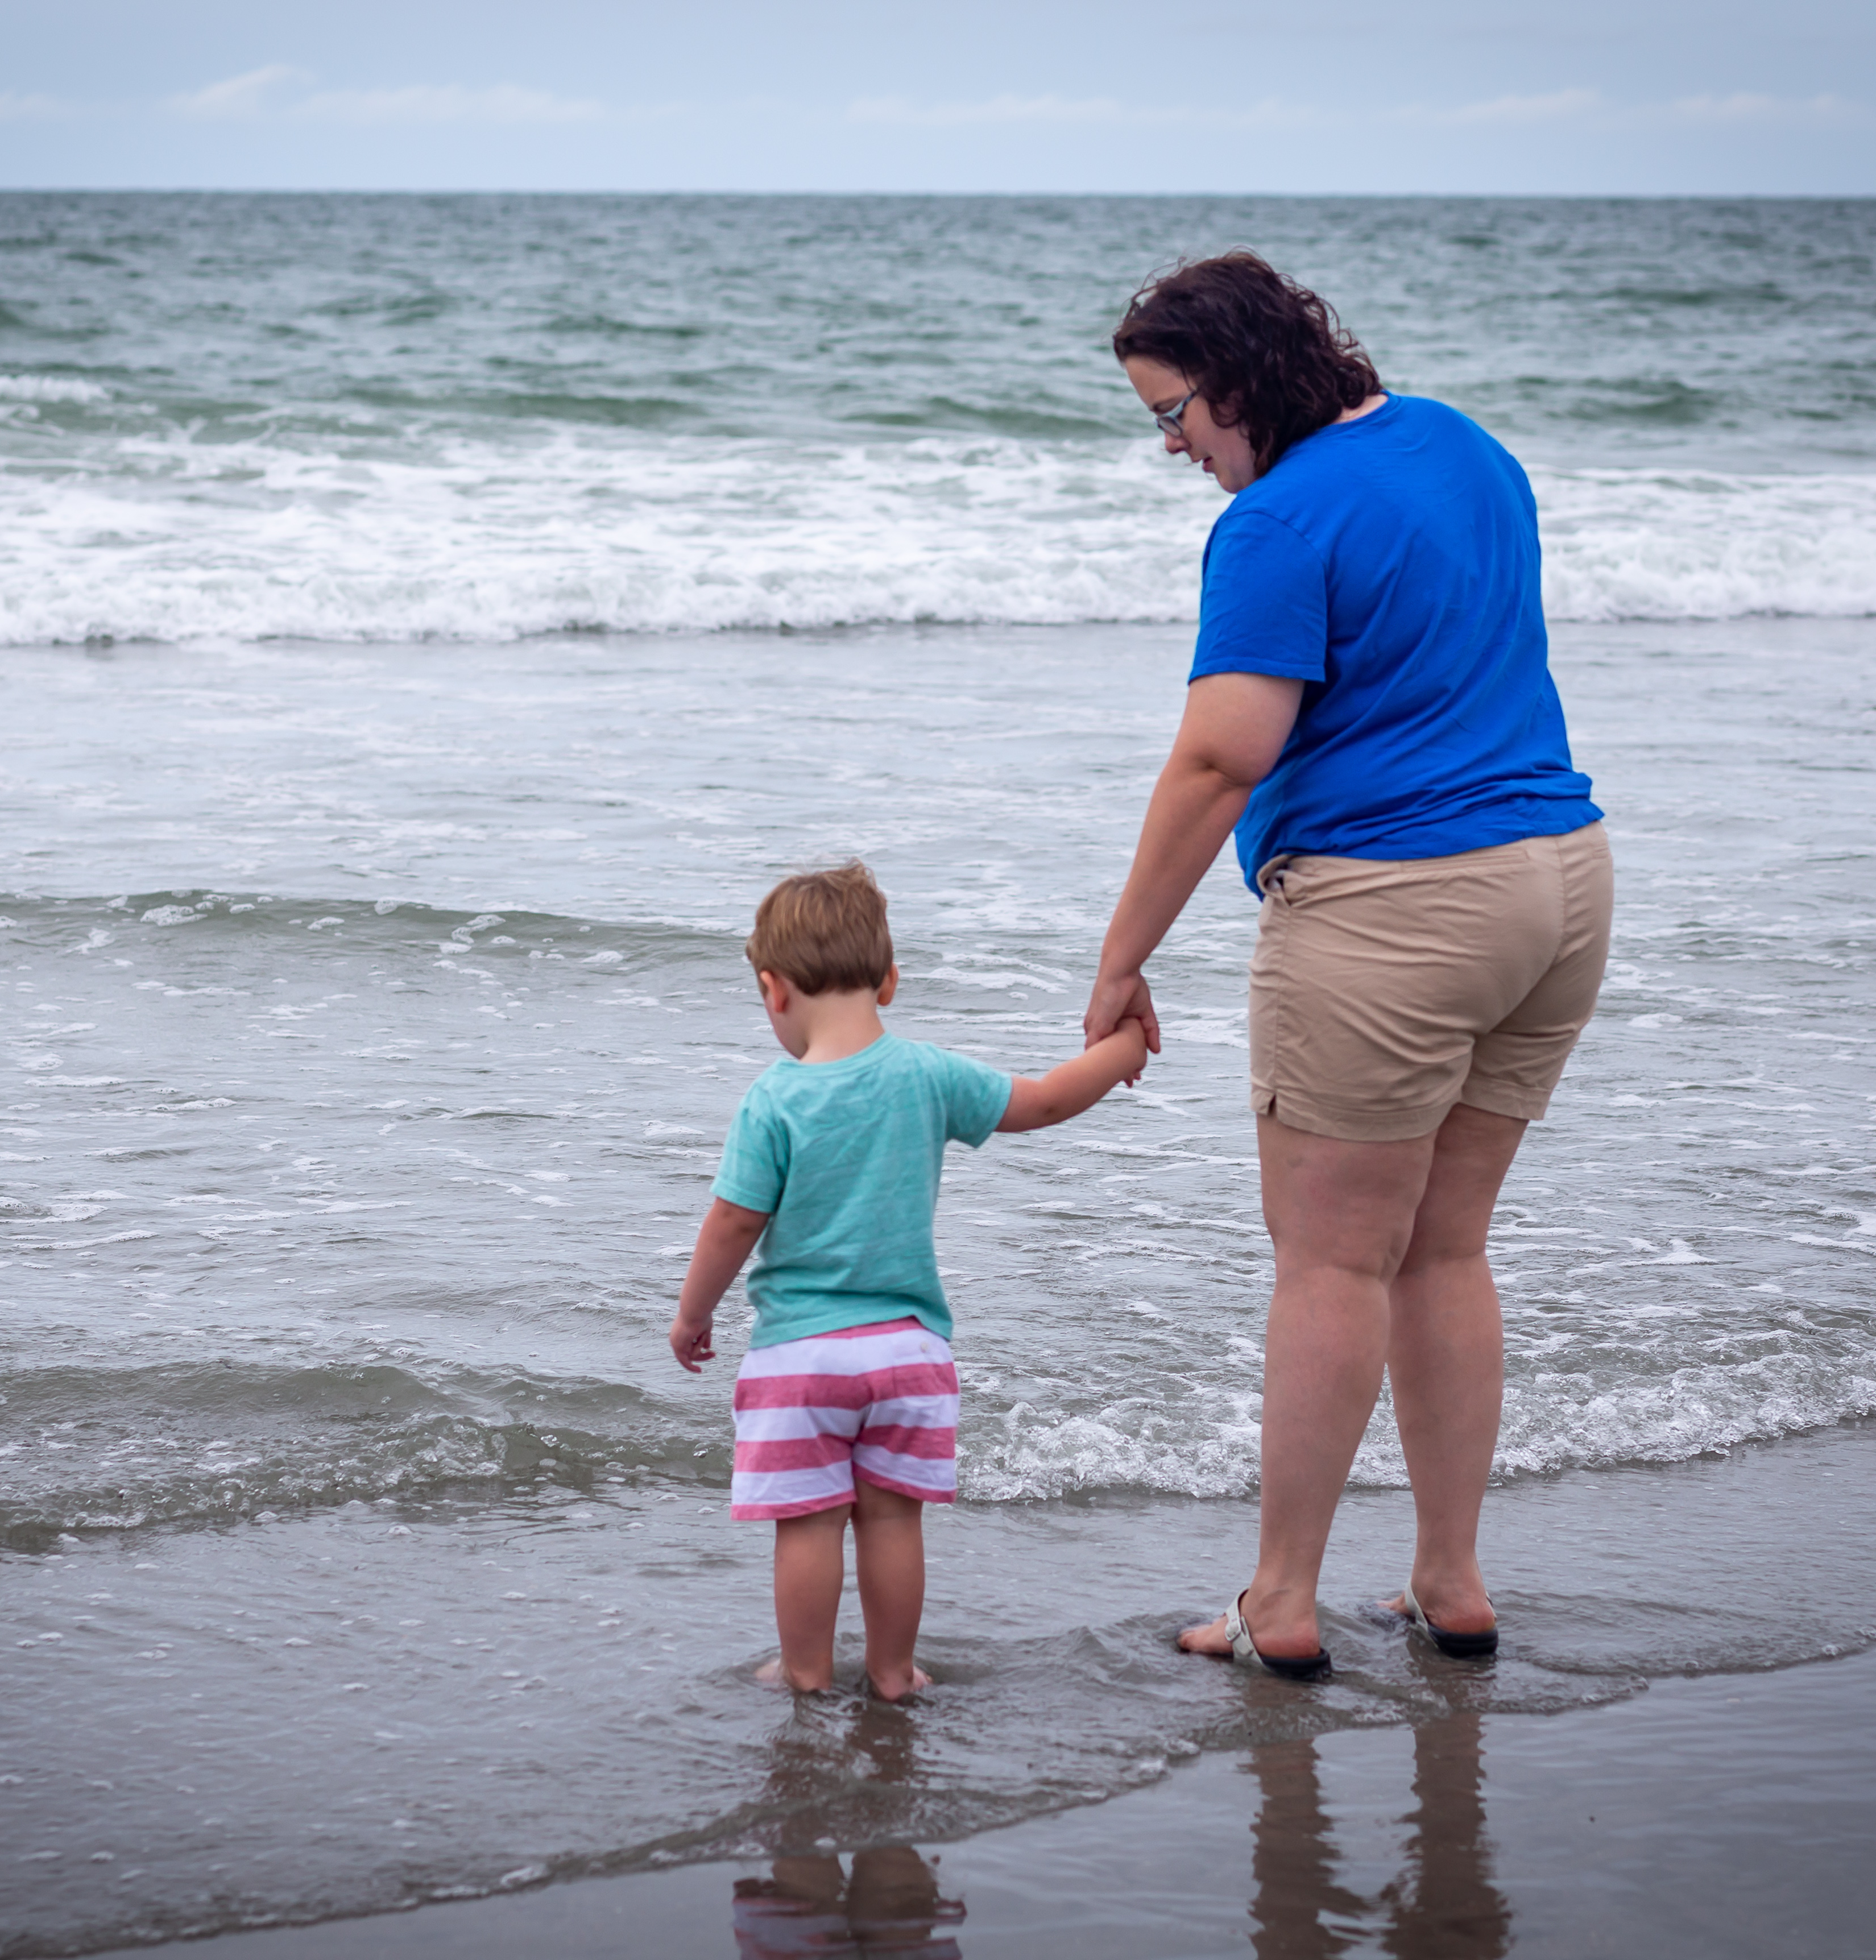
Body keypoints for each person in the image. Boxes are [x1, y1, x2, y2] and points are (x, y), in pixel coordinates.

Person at [1087, 253, 1611, 1675]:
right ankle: (1449, 1577)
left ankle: (1279, 1599)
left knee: (1328, 1262)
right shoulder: (1458, 441)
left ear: (1240, 379)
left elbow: (1218, 761)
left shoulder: (1275, 520)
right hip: (1559, 883)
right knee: (1444, 1245)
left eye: (1174, 414)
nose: (1172, 447)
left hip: (1397, 911)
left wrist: (1119, 959)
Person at [669, 861, 1148, 1701]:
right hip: (908, 1356)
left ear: (773, 990)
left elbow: (734, 1222)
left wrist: (691, 1315)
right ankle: (893, 1673)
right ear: (889, 981)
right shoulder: (928, 1075)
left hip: (801, 1359)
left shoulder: (773, 1100)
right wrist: (1124, 1047)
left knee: (808, 1525)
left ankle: (807, 1673)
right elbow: (1042, 1102)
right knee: (891, 1518)